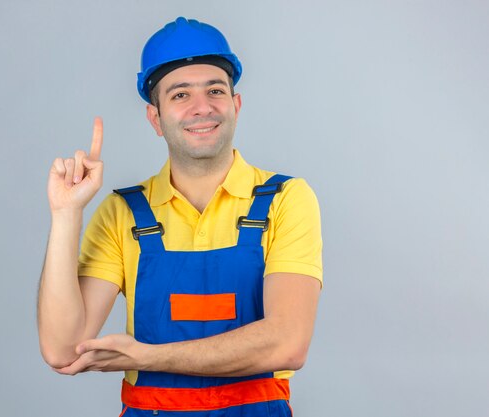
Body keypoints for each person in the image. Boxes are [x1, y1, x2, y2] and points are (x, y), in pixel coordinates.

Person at [37, 17, 322, 416]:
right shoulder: (123, 214)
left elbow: (287, 343)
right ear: (156, 118)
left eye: (215, 90)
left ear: (235, 105)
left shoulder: (285, 200)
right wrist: (66, 214)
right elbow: (62, 349)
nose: (202, 107)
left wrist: (147, 356)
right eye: (180, 94)